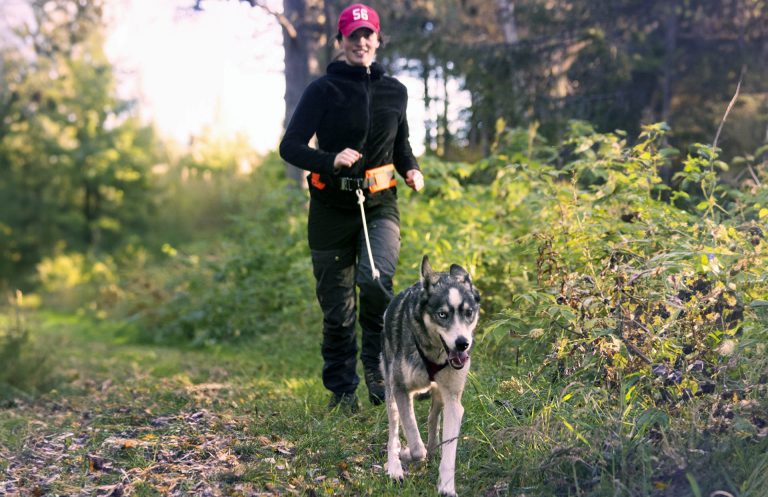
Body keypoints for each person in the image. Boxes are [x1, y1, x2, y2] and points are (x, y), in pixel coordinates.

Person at [279, 2, 424, 411]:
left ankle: (380, 374)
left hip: (379, 205)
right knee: (338, 310)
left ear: (378, 41)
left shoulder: (395, 90)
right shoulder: (322, 90)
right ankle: (342, 392)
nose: (361, 41)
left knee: (377, 280)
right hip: (329, 209)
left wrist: (411, 170)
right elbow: (289, 147)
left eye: (368, 35)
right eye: (353, 35)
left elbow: (401, 146)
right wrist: (328, 160)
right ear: (340, 41)